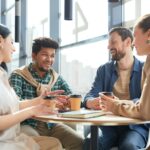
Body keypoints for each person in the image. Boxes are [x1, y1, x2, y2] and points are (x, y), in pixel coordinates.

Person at [9, 37, 83, 150]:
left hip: (51, 124)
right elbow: (13, 105)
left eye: (52, 55)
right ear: (34, 55)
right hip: (26, 124)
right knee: (43, 145)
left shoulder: (56, 78)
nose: (49, 59)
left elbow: (71, 96)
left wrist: (66, 102)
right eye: (45, 54)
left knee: (79, 142)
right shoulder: (18, 75)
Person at [83, 27, 149, 150]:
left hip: (134, 126)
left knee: (129, 146)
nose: (108, 47)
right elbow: (90, 95)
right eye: (108, 43)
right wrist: (91, 102)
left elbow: (145, 103)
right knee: (90, 143)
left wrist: (118, 103)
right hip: (107, 125)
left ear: (128, 42)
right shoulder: (104, 70)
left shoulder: (144, 68)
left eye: (113, 42)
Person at [0, 24, 63, 149]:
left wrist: (40, 101)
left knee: (55, 144)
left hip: (12, 138)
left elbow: (14, 106)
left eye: (52, 56)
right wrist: (33, 110)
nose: (14, 49)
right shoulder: (18, 75)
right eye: (11, 42)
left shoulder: (2, 74)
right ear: (0, 41)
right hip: (5, 143)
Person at [100, 13, 150, 132]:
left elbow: (144, 111)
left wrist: (114, 105)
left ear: (149, 35)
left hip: (136, 127)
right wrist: (118, 102)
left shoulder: (144, 65)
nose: (133, 43)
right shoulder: (148, 63)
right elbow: (143, 104)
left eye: (136, 36)